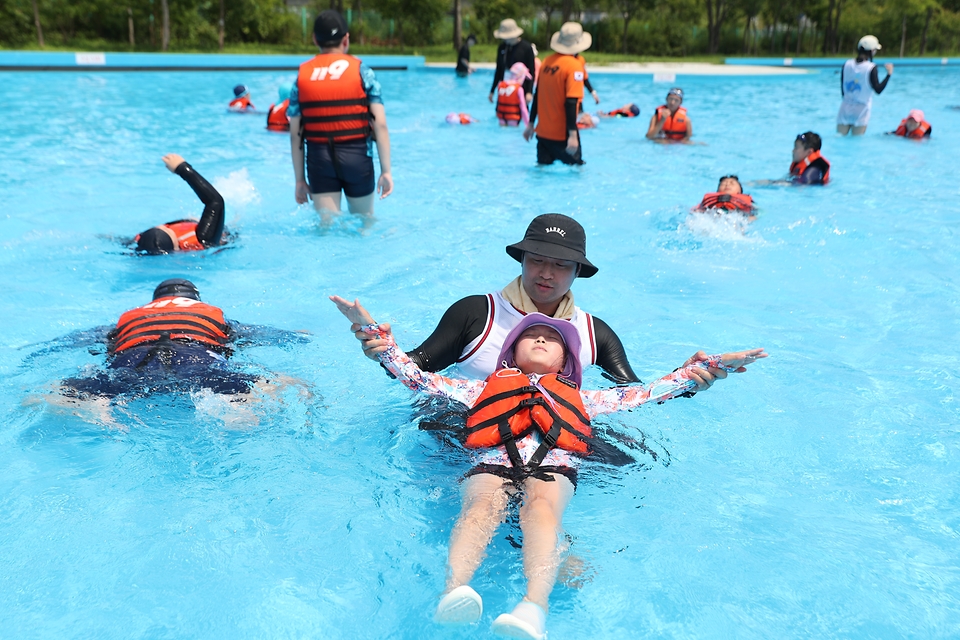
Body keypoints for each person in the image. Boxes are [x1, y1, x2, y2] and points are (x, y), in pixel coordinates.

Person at [332, 299, 766, 640]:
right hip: (491, 463)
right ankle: (455, 591)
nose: (540, 338)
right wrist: (374, 335)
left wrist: (703, 370)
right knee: (480, 506)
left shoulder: (588, 399)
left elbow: (648, 393)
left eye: (551, 338)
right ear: (509, 355)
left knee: (540, 510)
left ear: (567, 363)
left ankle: (533, 607)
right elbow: (415, 376)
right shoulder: (477, 389)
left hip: (551, 471)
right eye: (530, 335)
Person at [345, 213, 730, 390]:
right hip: (466, 429)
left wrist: (686, 380)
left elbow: (632, 396)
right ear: (522, 260)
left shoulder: (595, 333)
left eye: (561, 265)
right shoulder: (476, 312)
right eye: (537, 260)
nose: (546, 273)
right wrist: (381, 349)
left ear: (578, 272)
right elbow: (418, 368)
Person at [58, 279, 305, 403]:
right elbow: (267, 335)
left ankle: (96, 409)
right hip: (196, 355)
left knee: (78, 393)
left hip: (131, 358)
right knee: (281, 386)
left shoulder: (129, 318)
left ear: (154, 300)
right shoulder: (208, 312)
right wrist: (298, 334)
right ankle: (237, 410)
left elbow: (73, 341)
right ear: (195, 299)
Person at [289, 10, 393, 225]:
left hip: (319, 160)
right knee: (364, 224)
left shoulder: (303, 75)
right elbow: (380, 124)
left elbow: (295, 135)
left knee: (327, 227)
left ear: (315, 39)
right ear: (346, 39)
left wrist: (299, 179)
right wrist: (386, 171)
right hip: (357, 158)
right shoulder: (362, 71)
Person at [523, 23, 592, 166]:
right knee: (576, 174)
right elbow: (571, 102)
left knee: (542, 173)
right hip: (563, 136)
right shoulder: (574, 66)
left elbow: (537, 94)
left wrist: (530, 124)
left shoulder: (547, 62)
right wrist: (573, 135)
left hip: (542, 135)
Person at [133, 154, 227, 254]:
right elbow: (216, 202)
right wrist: (182, 168)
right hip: (223, 235)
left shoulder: (140, 241)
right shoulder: (204, 239)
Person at [837, 35, 893, 136]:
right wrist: (889, 74)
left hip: (845, 107)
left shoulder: (846, 64)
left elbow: (843, 90)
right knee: (856, 142)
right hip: (861, 110)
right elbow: (878, 89)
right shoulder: (871, 67)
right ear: (871, 51)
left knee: (840, 137)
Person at [489, 19, 537, 105]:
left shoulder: (526, 48)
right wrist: (492, 90)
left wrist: (529, 92)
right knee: (503, 113)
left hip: (521, 89)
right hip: (504, 89)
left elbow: (532, 71)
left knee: (519, 114)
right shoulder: (502, 47)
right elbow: (499, 70)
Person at [496, 62, 531, 126]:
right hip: (513, 120)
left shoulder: (501, 85)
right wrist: (528, 125)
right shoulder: (519, 89)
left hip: (501, 119)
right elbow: (523, 108)